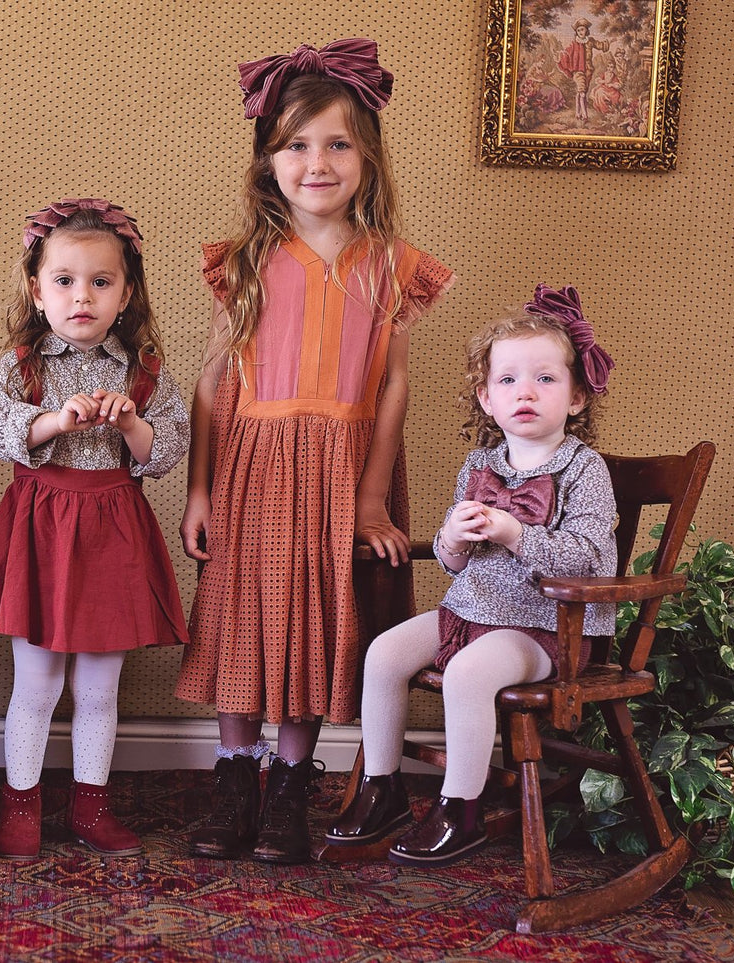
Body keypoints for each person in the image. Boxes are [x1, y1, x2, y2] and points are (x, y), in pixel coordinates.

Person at [176, 39, 455, 865]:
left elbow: (393, 386)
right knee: (242, 619)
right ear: (268, 161)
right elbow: (211, 383)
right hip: (251, 463)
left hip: (341, 470)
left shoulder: (393, 266)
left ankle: (289, 787)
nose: (316, 163)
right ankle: (235, 778)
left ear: (367, 157)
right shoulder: (243, 262)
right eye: (295, 145)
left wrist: (369, 498)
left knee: (309, 619)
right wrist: (199, 491)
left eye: (336, 144)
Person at [327, 284, 617, 866]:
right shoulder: (480, 464)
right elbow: (454, 562)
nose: (525, 392)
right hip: (468, 613)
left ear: (577, 397)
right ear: (486, 398)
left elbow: (590, 562)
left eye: (545, 379)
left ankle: (461, 809)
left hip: (546, 631)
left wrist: (516, 534)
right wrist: (454, 539)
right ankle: (381, 788)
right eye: (507, 380)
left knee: (465, 674)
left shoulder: (585, 470)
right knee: (382, 654)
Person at [0, 198, 190, 859]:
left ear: (125, 294)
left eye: (101, 282)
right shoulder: (23, 365)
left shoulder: (144, 371)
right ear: (37, 289)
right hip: (40, 530)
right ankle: (20, 805)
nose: (82, 296)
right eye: (64, 280)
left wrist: (130, 423)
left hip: (112, 534)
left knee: (98, 687)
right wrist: (53, 420)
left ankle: (91, 806)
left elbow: (167, 449)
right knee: (37, 684)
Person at [557, 19, 610, 124]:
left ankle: (577, 113)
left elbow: (600, 45)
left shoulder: (590, 41)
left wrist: (608, 43)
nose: (580, 32)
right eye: (578, 30)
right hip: (578, 71)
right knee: (582, 93)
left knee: (582, 92)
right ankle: (585, 116)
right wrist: (560, 56)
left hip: (588, 71)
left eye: (582, 29)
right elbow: (566, 53)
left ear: (586, 30)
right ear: (576, 32)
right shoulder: (574, 43)